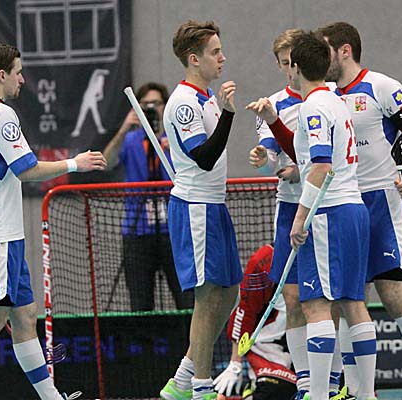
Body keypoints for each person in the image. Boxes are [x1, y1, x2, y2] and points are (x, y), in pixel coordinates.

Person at [0, 42, 106, 400]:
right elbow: (26, 169)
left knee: (24, 317)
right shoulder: (0, 115)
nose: (22, 79)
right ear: (2, 75)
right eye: (18, 73)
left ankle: (51, 397)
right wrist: (74, 164)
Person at [316, 22, 402, 400]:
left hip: (382, 201)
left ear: (344, 50)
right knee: (349, 298)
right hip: (345, 203)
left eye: (325, 50)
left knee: (392, 293)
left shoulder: (382, 87)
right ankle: (356, 389)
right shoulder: (326, 96)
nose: (320, 59)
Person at [247, 32, 376, 400]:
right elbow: (305, 151)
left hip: (328, 213)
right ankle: (365, 394)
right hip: (353, 209)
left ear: (296, 68)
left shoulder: (314, 107)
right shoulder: (334, 100)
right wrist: (274, 121)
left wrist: (301, 217)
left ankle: (317, 394)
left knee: (315, 305)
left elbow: (319, 166)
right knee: (353, 304)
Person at [159, 20, 242, 400]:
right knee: (207, 299)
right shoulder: (184, 103)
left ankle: (183, 378)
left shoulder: (206, 96)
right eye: (215, 52)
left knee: (230, 292)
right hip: (195, 208)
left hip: (215, 205)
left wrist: (223, 110)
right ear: (194, 59)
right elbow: (204, 158)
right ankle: (201, 387)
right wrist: (228, 114)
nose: (222, 58)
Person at [103, 82, 193, 311]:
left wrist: (176, 151)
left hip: (173, 231)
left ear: (166, 106)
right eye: (145, 105)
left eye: (156, 104)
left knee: (186, 298)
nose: (151, 109)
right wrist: (124, 129)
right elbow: (107, 162)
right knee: (140, 303)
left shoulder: (175, 138)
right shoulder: (131, 140)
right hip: (138, 231)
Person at [213, 244, 297, 400]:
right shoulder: (265, 261)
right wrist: (235, 363)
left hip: (316, 348)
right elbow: (245, 311)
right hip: (271, 351)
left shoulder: (328, 255)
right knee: (275, 391)